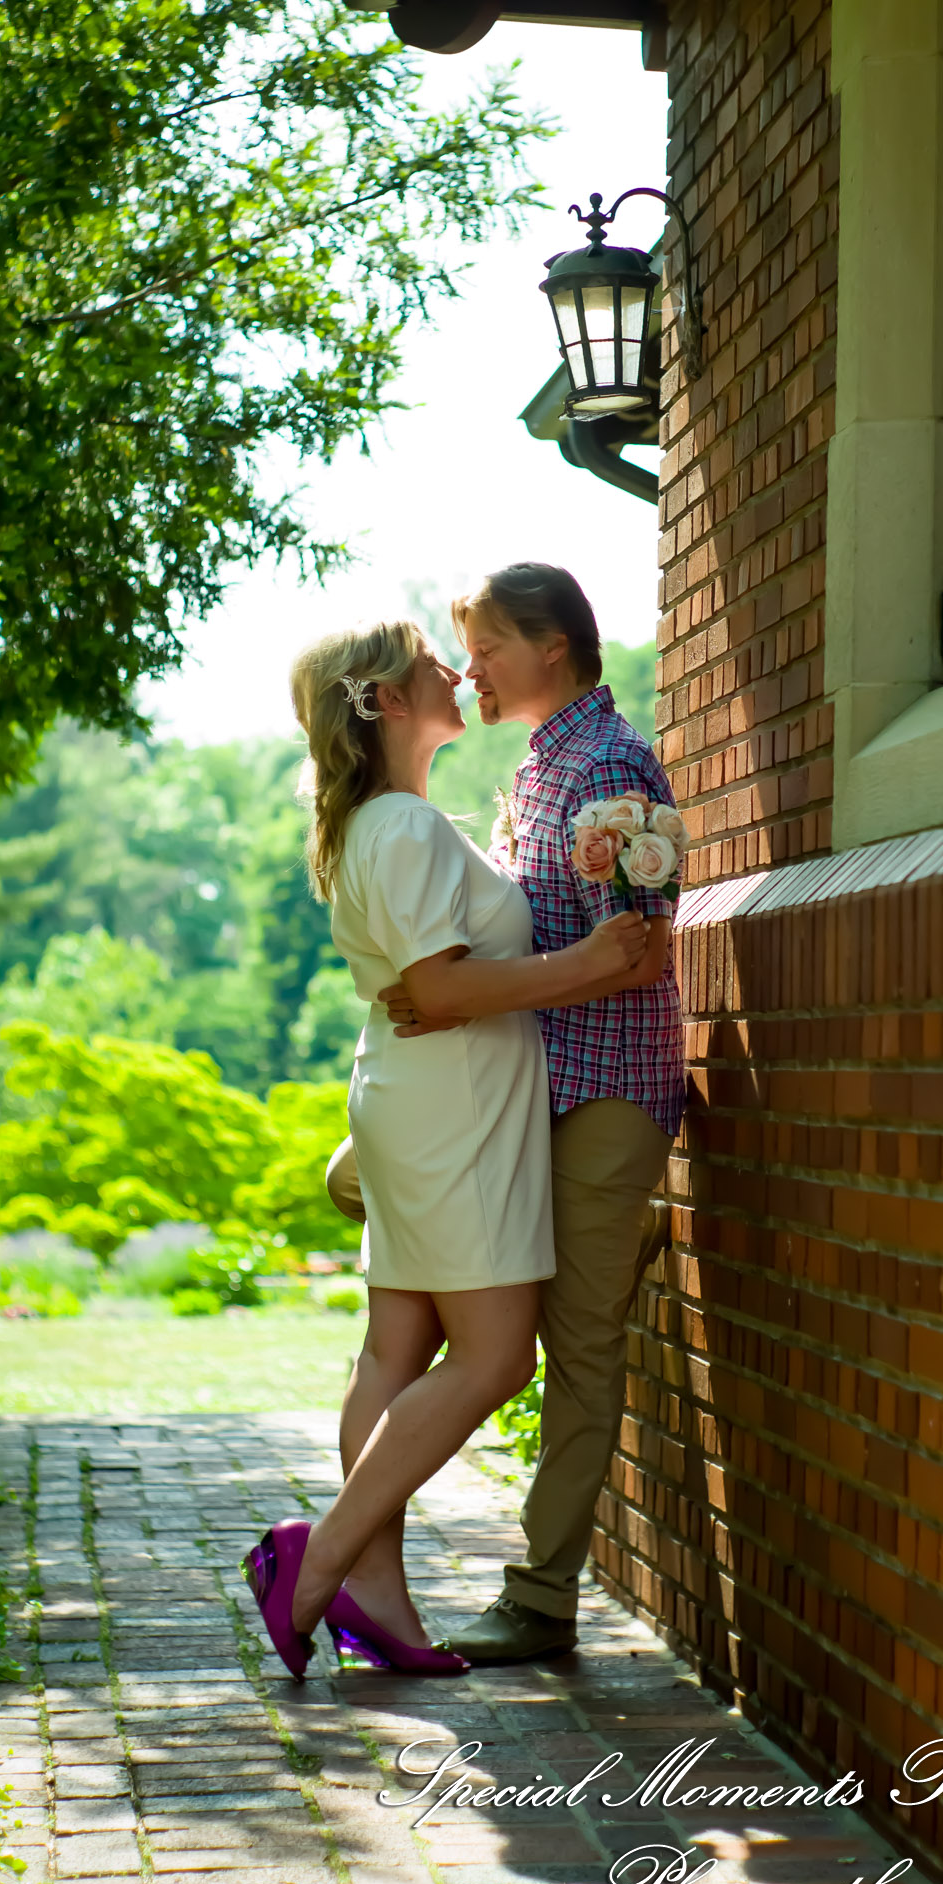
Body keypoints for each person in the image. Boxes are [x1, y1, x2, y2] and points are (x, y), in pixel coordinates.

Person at [242, 616, 653, 1683]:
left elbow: (426, 987)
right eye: (430, 661)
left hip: (423, 1101)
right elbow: (442, 990)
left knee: (394, 1351)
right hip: (452, 1115)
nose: (453, 670)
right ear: (379, 700)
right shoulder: (405, 830)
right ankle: (320, 1562)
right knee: (495, 1357)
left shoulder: (389, 824)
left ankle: (375, 1599)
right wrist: (594, 966)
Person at [382, 564, 687, 1663]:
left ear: (553, 645)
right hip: (536, 1092)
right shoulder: (545, 763)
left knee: (581, 1347)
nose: (472, 669)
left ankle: (542, 1598)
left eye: (491, 646)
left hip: (604, 1092)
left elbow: (637, 957)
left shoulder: (609, 764)